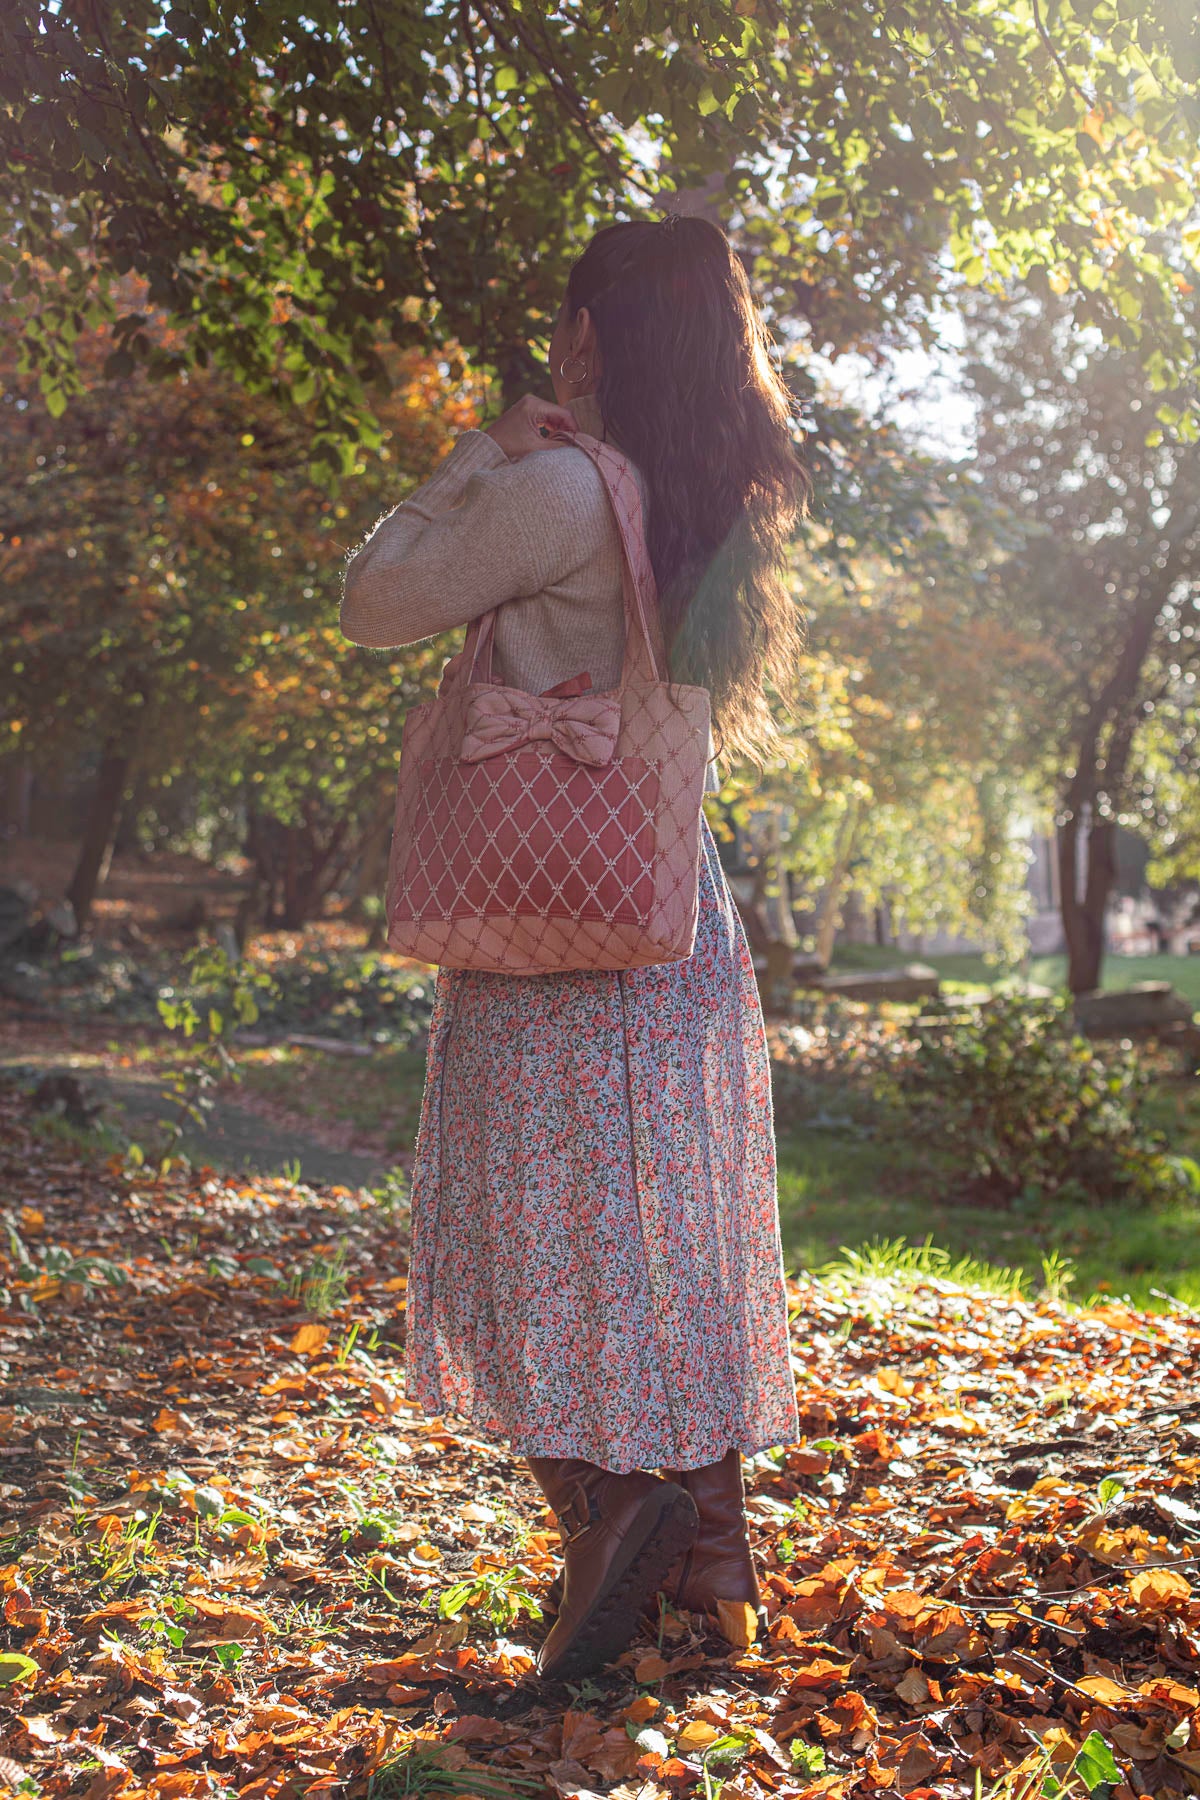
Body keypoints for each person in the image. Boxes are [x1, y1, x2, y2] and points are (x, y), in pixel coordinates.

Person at [340, 215, 805, 1681]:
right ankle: (711, 1566)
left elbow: (371, 606)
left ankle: (609, 1526)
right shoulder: (713, 497)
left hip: (546, 919)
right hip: (672, 915)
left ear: (592, 332)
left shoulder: (551, 490)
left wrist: (469, 460)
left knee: (519, 1245)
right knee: (671, 1239)